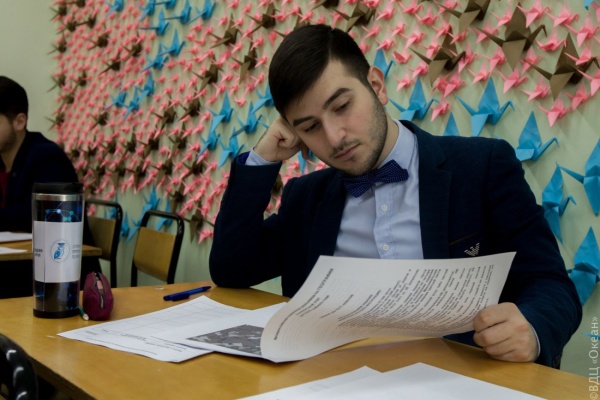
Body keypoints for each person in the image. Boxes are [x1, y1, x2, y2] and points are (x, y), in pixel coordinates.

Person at [209, 24, 581, 368]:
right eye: (310, 127)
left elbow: (550, 282)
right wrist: (263, 159)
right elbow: (231, 268)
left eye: (342, 107)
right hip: (333, 381)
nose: (335, 137)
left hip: (459, 379)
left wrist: (532, 328)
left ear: (376, 85)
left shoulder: (481, 167)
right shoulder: (306, 198)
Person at [0, 76, 99, 298]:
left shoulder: (46, 157)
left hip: (58, 281)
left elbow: (40, 215)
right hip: (19, 269)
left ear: (19, 121)